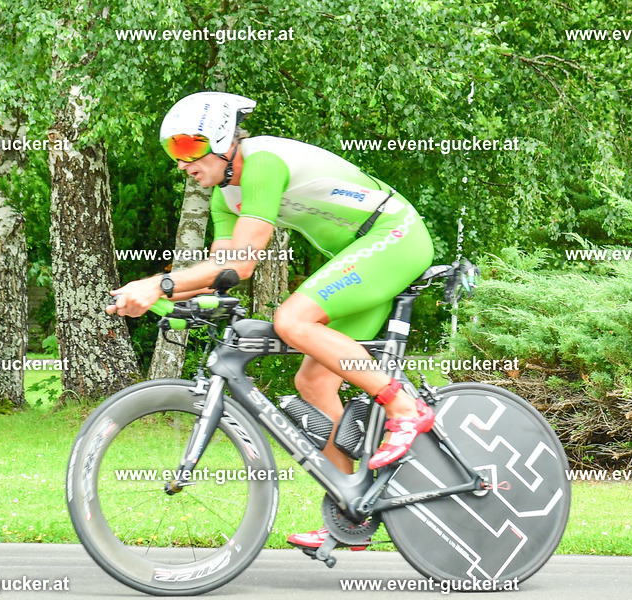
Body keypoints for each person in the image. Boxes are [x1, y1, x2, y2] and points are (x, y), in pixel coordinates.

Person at [109, 92, 436, 550]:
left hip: (394, 235)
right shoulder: (227, 196)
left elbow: (244, 263)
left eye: (187, 147)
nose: (181, 163)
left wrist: (158, 283)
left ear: (222, 138)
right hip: (357, 254)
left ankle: (404, 408)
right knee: (315, 384)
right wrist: (158, 297)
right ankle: (353, 510)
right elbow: (224, 273)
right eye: (172, 152)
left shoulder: (261, 162)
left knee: (291, 320)